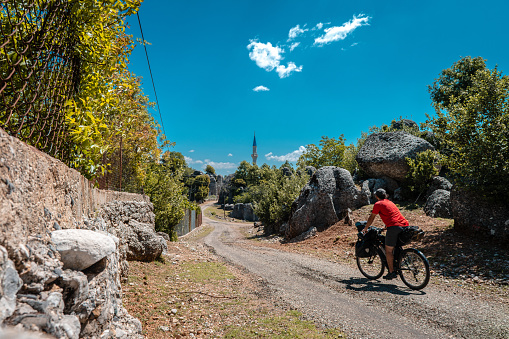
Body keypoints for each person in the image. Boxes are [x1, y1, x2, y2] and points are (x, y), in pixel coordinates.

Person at [362, 188, 409, 280]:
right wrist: (386, 227)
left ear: (376, 196)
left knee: (388, 251)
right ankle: (398, 263)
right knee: (395, 247)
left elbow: (371, 217)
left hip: (394, 227)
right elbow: (392, 215)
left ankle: (391, 272)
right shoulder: (390, 202)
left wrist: (366, 228)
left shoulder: (378, 204)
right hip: (404, 226)